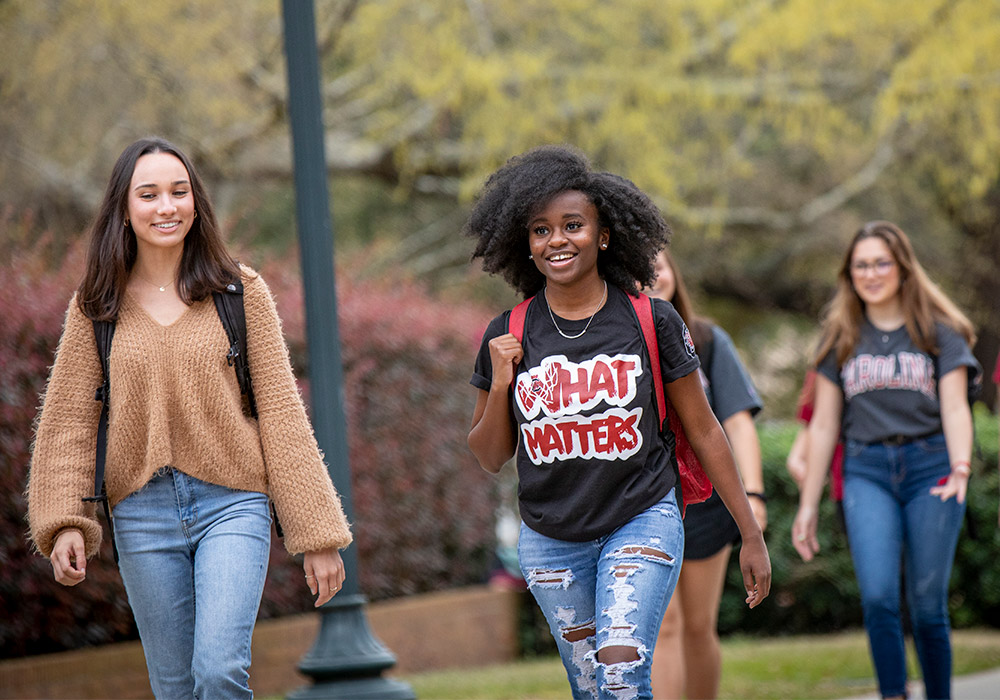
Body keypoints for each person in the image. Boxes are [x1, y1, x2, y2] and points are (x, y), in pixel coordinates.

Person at [27, 137, 352, 699]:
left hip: (232, 503)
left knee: (219, 671)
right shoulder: (96, 305)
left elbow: (280, 413)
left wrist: (317, 536)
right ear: (124, 211)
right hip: (141, 515)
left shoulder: (239, 292)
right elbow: (69, 423)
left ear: (196, 202)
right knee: (176, 689)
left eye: (179, 192)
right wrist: (62, 523)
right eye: (148, 194)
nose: (166, 206)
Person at [465, 145, 770, 700]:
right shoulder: (506, 332)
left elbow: (704, 429)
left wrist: (749, 531)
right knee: (590, 687)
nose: (556, 240)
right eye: (540, 230)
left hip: (641, 516)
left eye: (573, 225)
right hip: (550, 537)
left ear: (604, 235)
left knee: (622, 671)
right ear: (524, 243)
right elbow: (488, 455)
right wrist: (503, 382)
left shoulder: (650, 319)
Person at [791, 220, 980, 700]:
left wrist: (961, 467)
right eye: (861, 266)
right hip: (866, 471)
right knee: (877, 598)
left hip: (930, 468)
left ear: (901, 268)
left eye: (881, 263)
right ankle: (893, 693)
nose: (871, 274)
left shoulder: (939, 334)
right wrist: (808, 505)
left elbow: (956, 407)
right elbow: (824, 426)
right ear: (849, 274)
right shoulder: (841, 338)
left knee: (928, 605)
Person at [645, 250, 767, 700]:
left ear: (676, 274)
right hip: (643, 503)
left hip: (705, 506)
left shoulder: (707, 340)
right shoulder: (617, 341)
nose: (653, 275)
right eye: (640, 268)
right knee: (665, 624)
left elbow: (736, 422)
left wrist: (753, 496)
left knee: (698, 626)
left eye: (660, 265)